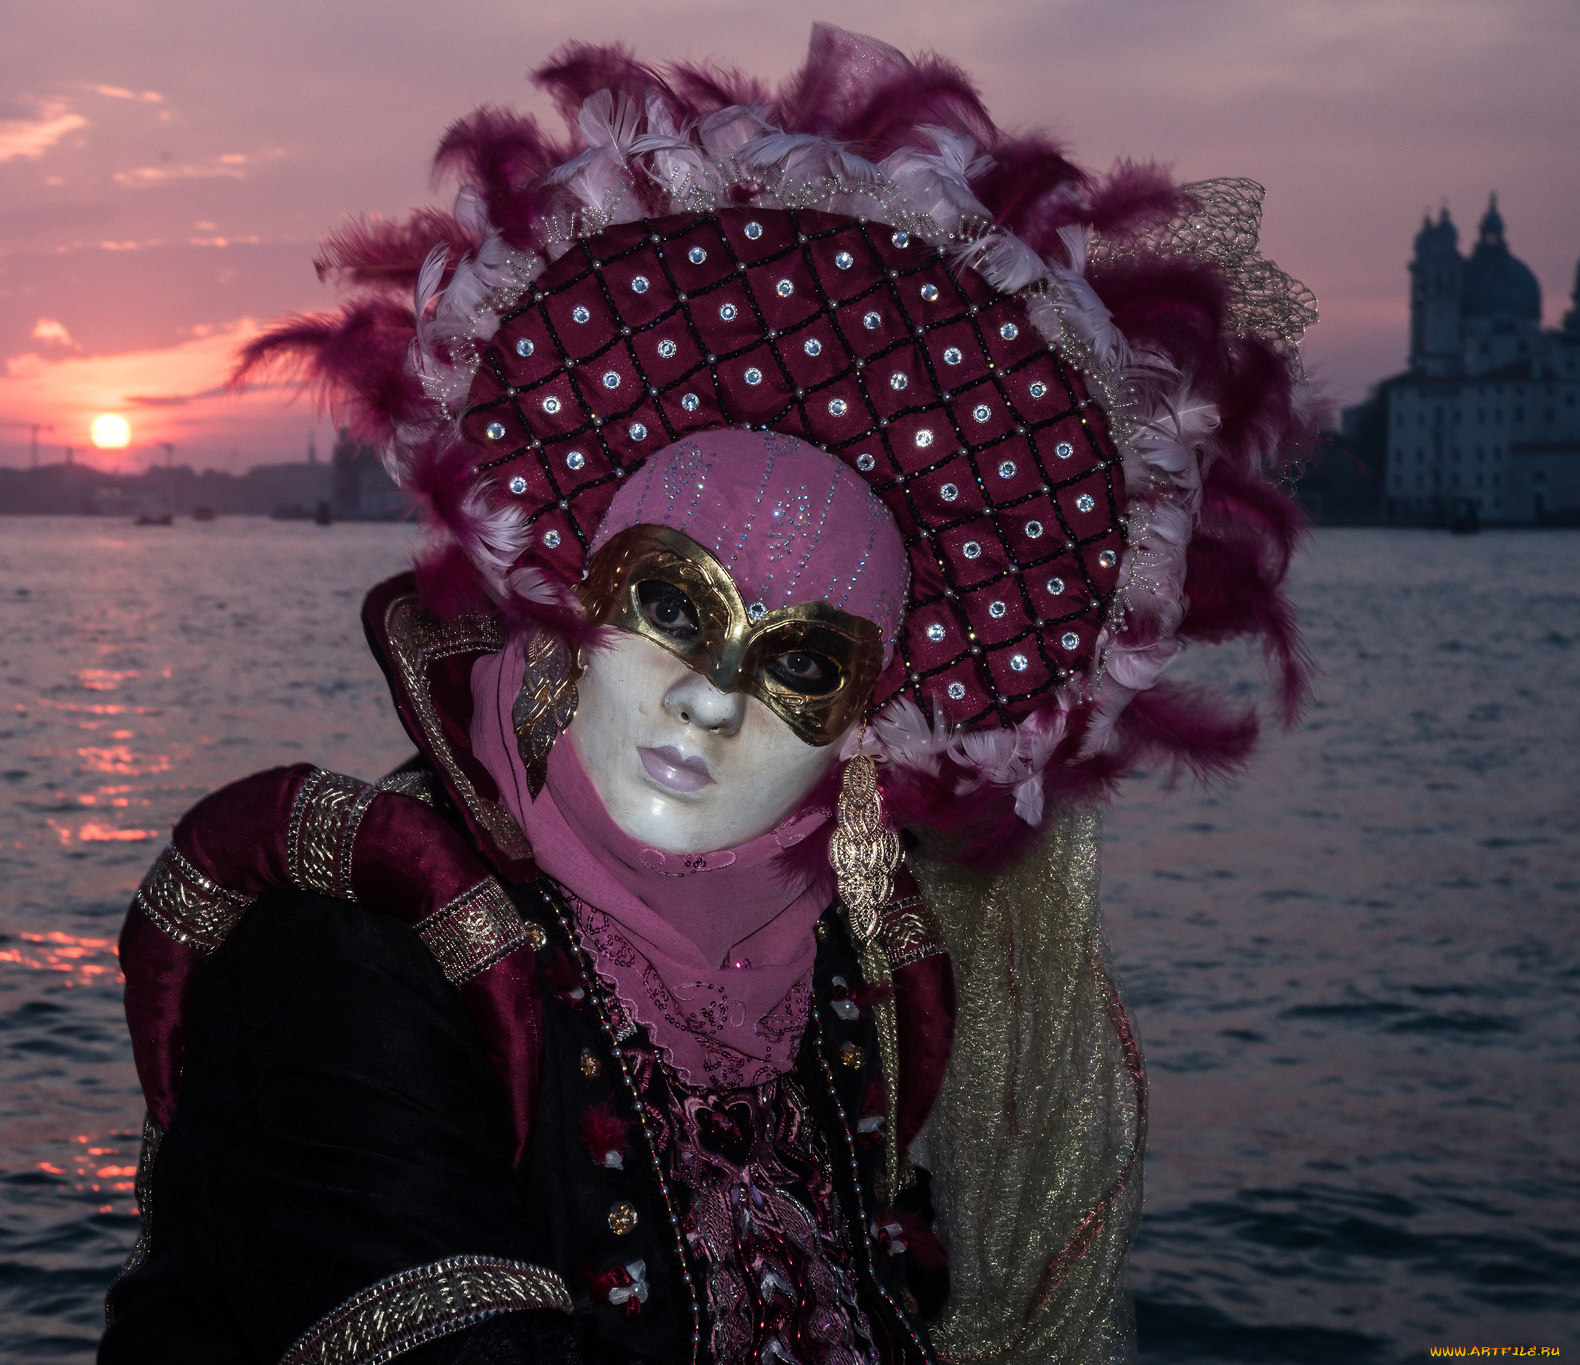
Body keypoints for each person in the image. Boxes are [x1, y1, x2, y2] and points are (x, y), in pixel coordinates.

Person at [97, 26, 1315, 1365]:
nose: (710, 700)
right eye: (672, 605)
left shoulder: (847, 994)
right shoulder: (349, 963)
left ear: (867, 718)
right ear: (575, 600)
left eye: (801, 664)